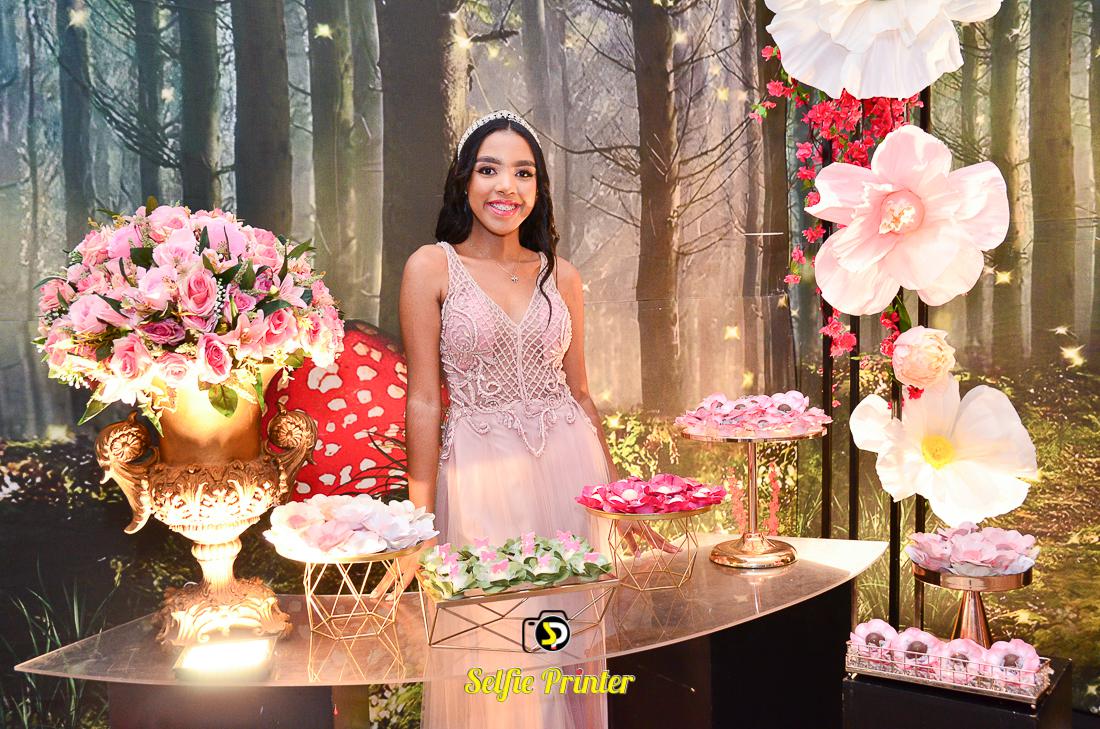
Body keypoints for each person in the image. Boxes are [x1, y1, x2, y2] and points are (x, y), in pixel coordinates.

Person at [384, 109, 674, 727]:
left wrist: (616, 498)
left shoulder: (560, 276)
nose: (506, 187)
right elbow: (424, 399)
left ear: (538, 188)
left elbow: (582, 393)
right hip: (480, 477)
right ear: (464, 181)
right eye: (489, 169)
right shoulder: (431, 267)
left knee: (568, 643)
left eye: (523, 173)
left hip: (569, 472)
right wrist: (416, 522)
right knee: (500, 652)